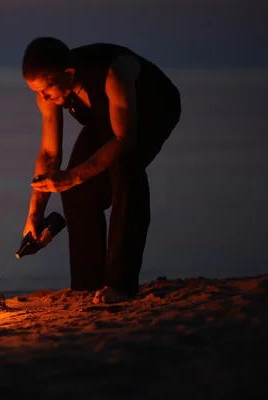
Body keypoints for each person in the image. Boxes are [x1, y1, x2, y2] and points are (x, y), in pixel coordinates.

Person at [21, 37, 181, 304]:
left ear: (68, 74)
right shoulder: (48, 92)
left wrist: (72, 176)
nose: (43, 98)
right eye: (36, 91)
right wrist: (34, 214)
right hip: (107, 118)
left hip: (153, 109)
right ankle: (86, 285)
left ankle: (120, 285)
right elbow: (49, 155)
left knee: (126, 172)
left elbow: (124, 140)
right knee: (75, 191)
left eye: (46, 90)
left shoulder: (112, 72)